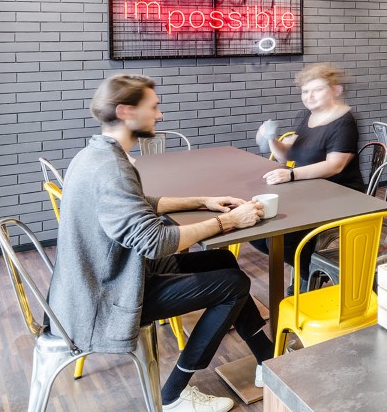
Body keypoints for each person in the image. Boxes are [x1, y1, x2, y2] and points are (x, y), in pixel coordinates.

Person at [48, 74, 272, 412]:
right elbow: (154, 242)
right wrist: (228, 221)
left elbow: (139, 203)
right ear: (125, 111)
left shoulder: (96, 155)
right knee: (235, 283)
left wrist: (202, 201)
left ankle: (267, 361)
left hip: (101, 281)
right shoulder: (112, 168)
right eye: (154, 107)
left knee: (223, 261)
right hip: (105, 299)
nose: (160, 115)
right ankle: (174, 396)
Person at [252, 63, 361, 281]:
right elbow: (287, 156)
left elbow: (335, 165)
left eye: (317, 89)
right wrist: (271, 139)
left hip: (339, 196)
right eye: (305, 91)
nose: (309, 96)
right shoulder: (306, 116)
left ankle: (309, 277)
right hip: (308, 193)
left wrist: (291, 175)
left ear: (335, 90)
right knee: (258, 233)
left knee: (284, 239)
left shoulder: (344, 122)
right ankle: (311, 270)